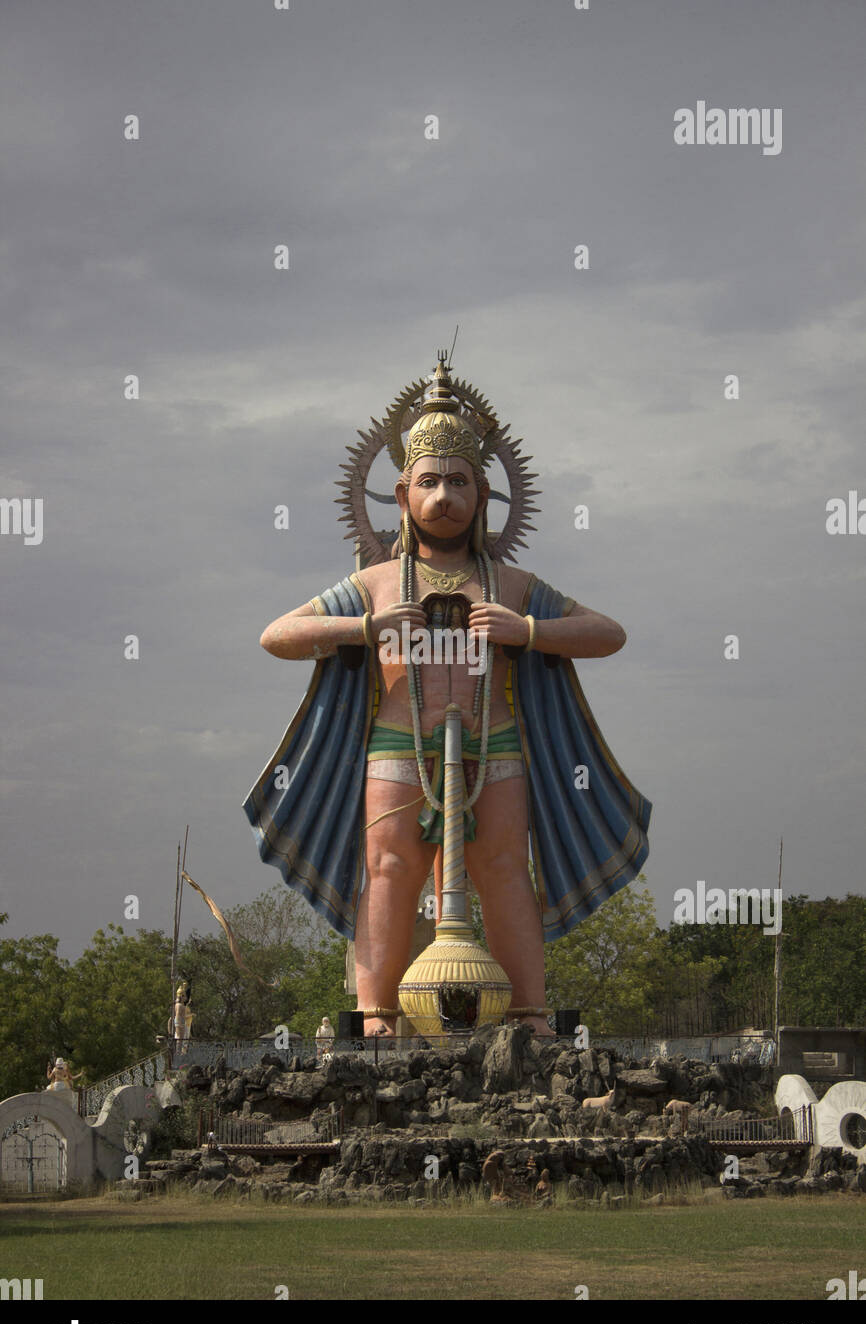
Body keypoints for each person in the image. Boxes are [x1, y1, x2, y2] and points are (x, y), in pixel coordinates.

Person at [245, 357, 650, 1038]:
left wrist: (528, 631)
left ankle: (528, 1013)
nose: (444, 497)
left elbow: (607, 633)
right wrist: (366, 628)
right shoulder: (377, 584)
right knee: (390, 868)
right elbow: (278, 635)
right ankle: (376, 1016)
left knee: (502, 871)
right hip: (396, 746)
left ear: (484, 494)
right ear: (402, 495)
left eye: (458, 482)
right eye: (429, 482)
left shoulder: (513, 586)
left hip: (497, 745)